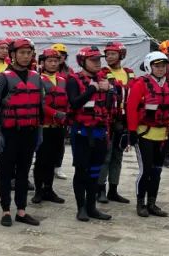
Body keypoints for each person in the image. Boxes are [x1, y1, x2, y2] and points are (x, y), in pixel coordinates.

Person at [0, 38, 45, 227]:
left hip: (29, 132)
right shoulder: (2, 78)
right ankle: (6, 210)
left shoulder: (36, 77)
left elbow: (40, 106)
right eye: (21, 53)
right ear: (12, 55)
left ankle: (21, 211)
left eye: (28, 53)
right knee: (5, 172)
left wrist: (39, 131)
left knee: (24, 172)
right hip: (9, 133)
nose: (25, 56)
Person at [66, 46, 114, 222]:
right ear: (82, 61)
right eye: (93, 60)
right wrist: (92, 90)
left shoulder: (104, 80)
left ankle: (92, 207)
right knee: (81, 171)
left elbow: (110, 107)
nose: (97, 63)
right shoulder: (73, 80)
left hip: (100, 132)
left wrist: (109, 90)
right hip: (81, 133)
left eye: (98, 60)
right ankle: (81, 208)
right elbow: (74, 103)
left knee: (95, 171)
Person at [127, 51, 169, 218]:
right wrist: (132, 131)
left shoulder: (168, 86)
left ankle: (152, 203)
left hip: (162, 136)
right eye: (157, 66)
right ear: (149, 66)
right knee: (145, 170)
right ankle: (141, 203)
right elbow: (131, 109)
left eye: (163, 66)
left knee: (157, 171)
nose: (161, 69)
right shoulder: (140, 84)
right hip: (144, 134)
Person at [97, 41, 134, 205]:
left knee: (118, 157)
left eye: (112, 53)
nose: (109, 57)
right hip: (108, 121)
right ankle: (100, 190)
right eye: (107, 54)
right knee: (105, 156)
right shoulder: (102, 73)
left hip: (124, 121)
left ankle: (113, 190)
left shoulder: (129, 73)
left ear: (121, 54)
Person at [32, 48, 68, 205]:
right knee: (41, 160)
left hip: (59, 127)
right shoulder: (37, 79)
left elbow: (67, 101)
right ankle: (38, 191)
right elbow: (39, 104)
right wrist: (55, 113)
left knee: (53, 159)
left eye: (56, 61)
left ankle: (49, 189)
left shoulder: (62, 80)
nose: (53, 64)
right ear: (43, 63)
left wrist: (66, 115)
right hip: (43, 127)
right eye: (50, 61)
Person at [50, 42, 70, 180]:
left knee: (60, 142)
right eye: (57, 55)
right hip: (49, 110)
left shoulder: (69, 72)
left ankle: (58, 166)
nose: (59, 57)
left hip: (63, 111)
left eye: (62, 55)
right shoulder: (42, 71)